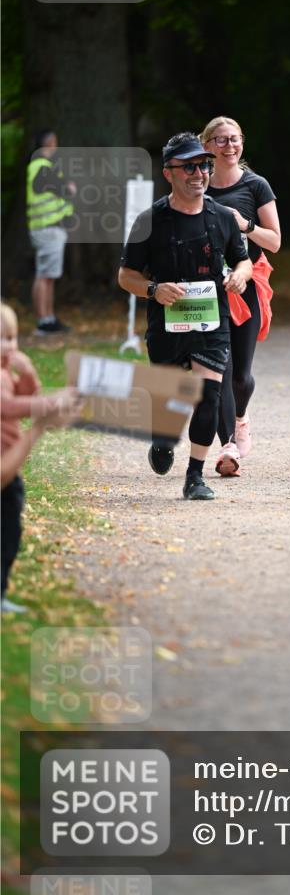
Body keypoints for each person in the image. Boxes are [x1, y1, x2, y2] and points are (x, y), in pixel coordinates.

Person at [118, 132, 253, 501]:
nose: (199, 173)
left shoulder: (222, 217)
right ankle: (162, 437)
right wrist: (153, 290)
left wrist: (241, 275)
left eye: (204, 165)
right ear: (169, 173)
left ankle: (195, 476)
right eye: (190, 166)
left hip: (212, 321)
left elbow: (243, 259)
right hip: (166, 323)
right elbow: (126, 275)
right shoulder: (151, 220)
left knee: (208, 394)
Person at [200, 116, 281, 478]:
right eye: (220, 140)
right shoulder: (197, 186)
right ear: (207, 146)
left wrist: (244, 225)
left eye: (234, 139)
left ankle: (241, 418)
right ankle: (228, 446)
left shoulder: (256, 186)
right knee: (220, 368)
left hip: (247, 282)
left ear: (242, 144)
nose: (228, 146)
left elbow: (275, 242)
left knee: (241, 376)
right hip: (208, 288)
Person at [1, 302, 82, 614]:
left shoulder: (7, 372)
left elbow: (28, 394)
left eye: (13, 337)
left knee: (10, 532)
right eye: (3, 339)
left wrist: (29, 371)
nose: (10, 345)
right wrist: (48, 405)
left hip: (9, 467)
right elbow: (9, 407)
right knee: (4, 534)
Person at [26, 129, 76, 335]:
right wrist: (68, 187)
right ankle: (44, 321)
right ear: (51, 143)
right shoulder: (42, 167)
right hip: (48, 228)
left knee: (47, 275)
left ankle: (48, 318)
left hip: (46, 228)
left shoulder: (38, 166)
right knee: (45, 275)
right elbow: (63, 189)